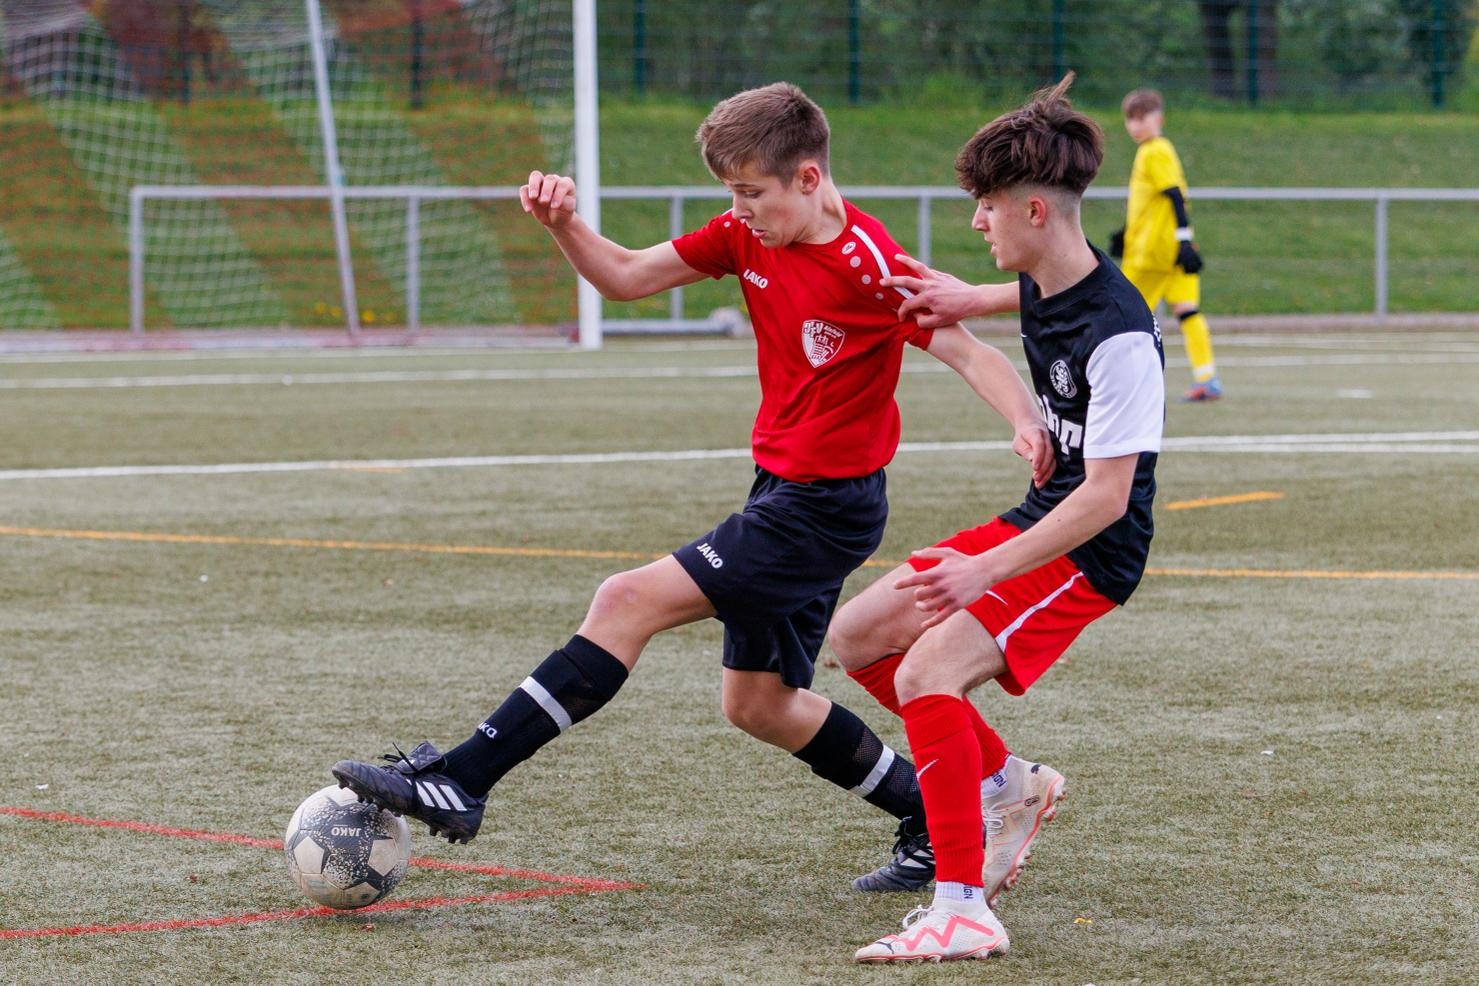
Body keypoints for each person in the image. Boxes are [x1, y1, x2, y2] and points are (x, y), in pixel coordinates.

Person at [329, 83, 1055, 898]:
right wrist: (565, 224)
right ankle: (931, 814)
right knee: (760, 704)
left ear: (808, 178)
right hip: (779, 493)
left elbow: (968, 352)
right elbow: (626, 276)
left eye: (752, 192)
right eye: (730, 193)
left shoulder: (869, 263)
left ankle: (462, 779)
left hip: (823, 510)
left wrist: (1024, 420)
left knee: (625, 600)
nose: (739, 210)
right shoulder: (744, 235)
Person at [833, 74, 1164, 963]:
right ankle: (1007, 783)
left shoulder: (1120, 338)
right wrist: (964, 298)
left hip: (1090, 549)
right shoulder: (1050, 278)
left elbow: (1106, 497)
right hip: (1043, 514)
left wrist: (983, 571)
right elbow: (1033, 298)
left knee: (927, 671)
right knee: (859, 635)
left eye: (986, 206)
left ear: (1032, 210)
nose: (977, 221)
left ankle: (961, 907)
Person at [1113, 87, 1221, 402]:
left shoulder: (1153, 150)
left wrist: (1183, 237)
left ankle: (1121, 382)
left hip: (1152, 253)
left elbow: (1174, 195)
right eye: (1130, 119)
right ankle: (1208, 379)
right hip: (1172, 248)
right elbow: (1155, 203)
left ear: (1158, 119)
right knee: (1187, 311)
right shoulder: (1159, 149)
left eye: (1141, 118)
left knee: (1121, 314)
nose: (1135, 125)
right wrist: (1126, 231)